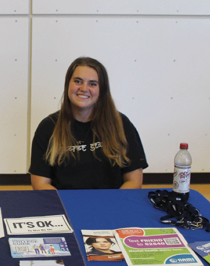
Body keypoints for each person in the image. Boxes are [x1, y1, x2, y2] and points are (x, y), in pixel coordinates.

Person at [30, 57, 147, 190]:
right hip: (65, 205)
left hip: (111, 205)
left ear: (101, 90)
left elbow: (133, 181)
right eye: (78, 81)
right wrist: (64, 207)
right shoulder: (48, 127)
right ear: (68, 84)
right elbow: (41, 184)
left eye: (92, 84)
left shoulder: (121, 124)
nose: (84, 88)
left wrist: (114, 206)